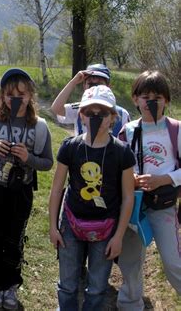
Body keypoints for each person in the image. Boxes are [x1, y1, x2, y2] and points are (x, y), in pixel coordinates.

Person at [0, 68, 53, 309]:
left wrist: (28, 158)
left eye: (21, 94)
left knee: (14, 239)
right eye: (9, 94)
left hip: (20, 192)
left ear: (30, 96)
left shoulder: (40, 126)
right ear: (2, 96)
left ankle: (10, 287)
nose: (15, 99)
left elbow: (47, 163)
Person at [48, 85, 135, 310]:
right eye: (89, 113)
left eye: (102, 113)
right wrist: (53, 227)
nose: (96, 117)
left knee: (96, 287)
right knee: (67, 284)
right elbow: (57, 189)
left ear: (113, 118)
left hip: (106, 228)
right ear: (81, 116)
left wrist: (118, 237)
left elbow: (127, 197)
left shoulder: (122, 152)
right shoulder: (70, 147)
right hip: (71, 223)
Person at [117, 71, 181, 310]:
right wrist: (130, 179)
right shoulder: (128, 131)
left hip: (163, 206)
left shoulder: (176, 129)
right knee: (131, 260)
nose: (150, 101)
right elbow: (119, 166)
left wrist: (163, 179)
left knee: (174, 262)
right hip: (133, 206)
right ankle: (130, 304)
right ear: (135, 99)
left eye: (157, 96)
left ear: (167, 100)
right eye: (145, 96)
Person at [51, 63, 130, 136]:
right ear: (84, 86)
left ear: (108, 87)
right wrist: (73, 82)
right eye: (90, 84)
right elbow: (56, 109)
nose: (95, 88)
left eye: (99, 84)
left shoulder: (122, 114)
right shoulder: (79, 109)